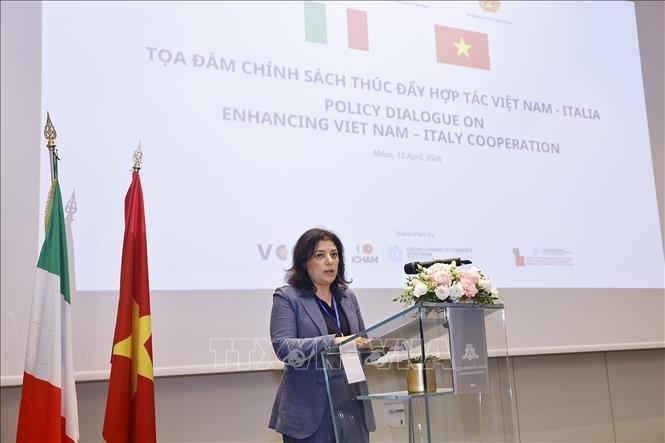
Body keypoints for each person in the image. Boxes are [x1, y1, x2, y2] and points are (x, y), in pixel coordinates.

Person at [268, 228, 375, 443]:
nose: (329, 261)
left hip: (351, 402)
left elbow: (361, 343)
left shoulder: (347, 297)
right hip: (310, 412)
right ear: (304, 263)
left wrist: (379, 346)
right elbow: (284, 347)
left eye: (334, 254)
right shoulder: (288, 297)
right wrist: (333, 341)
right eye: (320, 255)